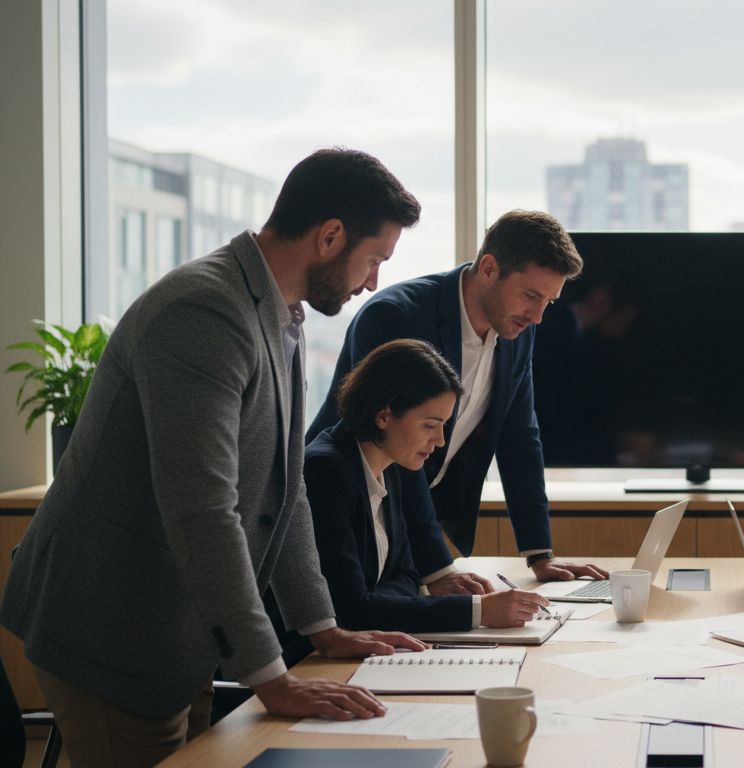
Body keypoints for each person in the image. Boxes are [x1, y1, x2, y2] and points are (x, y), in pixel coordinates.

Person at [0, 148, 430, 768]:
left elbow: (287, 491)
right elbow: (202, 508)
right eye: (374, 259)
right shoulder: (203, 310)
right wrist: (269, 675)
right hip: (114, 623)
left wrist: (322, 627)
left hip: (184, 625)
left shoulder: (279, 314)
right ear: (330, 236)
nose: (372, 282)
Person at [308, 210, 607, 593]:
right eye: (531, 296)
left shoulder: (517, 329)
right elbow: (396, 440)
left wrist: (539, 554)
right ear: (488, 268)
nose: (537, 317)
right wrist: (438, 570)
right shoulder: (395, 317)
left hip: (415, 518)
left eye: (548, 302)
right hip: (345, 511)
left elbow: (519, 436)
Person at [273, 339, 549, 664]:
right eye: (430, 425)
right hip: (305, 663)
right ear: (383, 416)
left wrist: (375, 603)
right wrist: (478, 610)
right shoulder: (324, 470)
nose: (440, 440)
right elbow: (348, 613)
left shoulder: (392, 465)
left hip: (365, 653)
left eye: (444, 425)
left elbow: (406, 576)